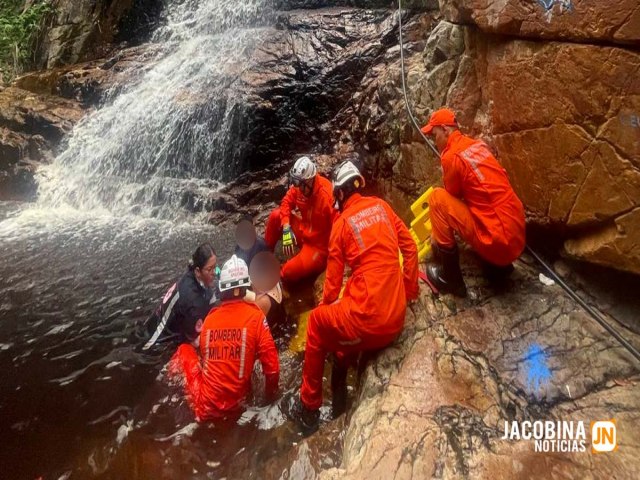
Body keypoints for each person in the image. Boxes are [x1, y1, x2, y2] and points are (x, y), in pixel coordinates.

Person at [296, 161, 419, 430]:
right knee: (345, 325)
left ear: (339, 193)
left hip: (372, 323)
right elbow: (409, 247)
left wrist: (328, 316)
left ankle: (309, 407)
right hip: (397, 318)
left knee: (318, 323)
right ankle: (340, 388)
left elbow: (330, 289)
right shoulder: (382, 207)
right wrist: (409, 294)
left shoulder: (341, 225)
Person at [421, 108, 526, 296]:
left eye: (434, 135)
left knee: (436, 198)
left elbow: (451, 194)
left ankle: (450, 278)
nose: (434, 141)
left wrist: (437, 235)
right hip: (517, 233)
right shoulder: (478, 145)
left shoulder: (451, 156)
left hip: (497, 241)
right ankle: (499, 266)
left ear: (445, 130)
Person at [168, 255, 280, 420]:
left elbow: (207, 361)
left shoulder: (210, 318)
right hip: (238, 404)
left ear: (222, 289)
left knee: (184, 349)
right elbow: (273, 369)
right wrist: (269, 399)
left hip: (205, 408)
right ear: (246, 287)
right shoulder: (256, 318)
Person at [264, 156, 337, 284]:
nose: (298, 188)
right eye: (296, 183)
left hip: (318, 247)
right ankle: (264, 255)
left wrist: (334, 260)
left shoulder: (327, 196)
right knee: (276, 216)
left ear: (310, 180)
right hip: (303, 232)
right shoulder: (300, 187)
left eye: (301, 184)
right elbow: (286, 203)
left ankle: (275, 280)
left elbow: (338, 228)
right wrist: (286, 227)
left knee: (288, 272)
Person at [141, 243, 219, 351]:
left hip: (159, 322)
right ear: (197, 271)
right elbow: (195, 341)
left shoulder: (194, 277)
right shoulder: (191, 299)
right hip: (157, 341)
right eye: (210, 269)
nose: (214, 273)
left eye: (215, 267)